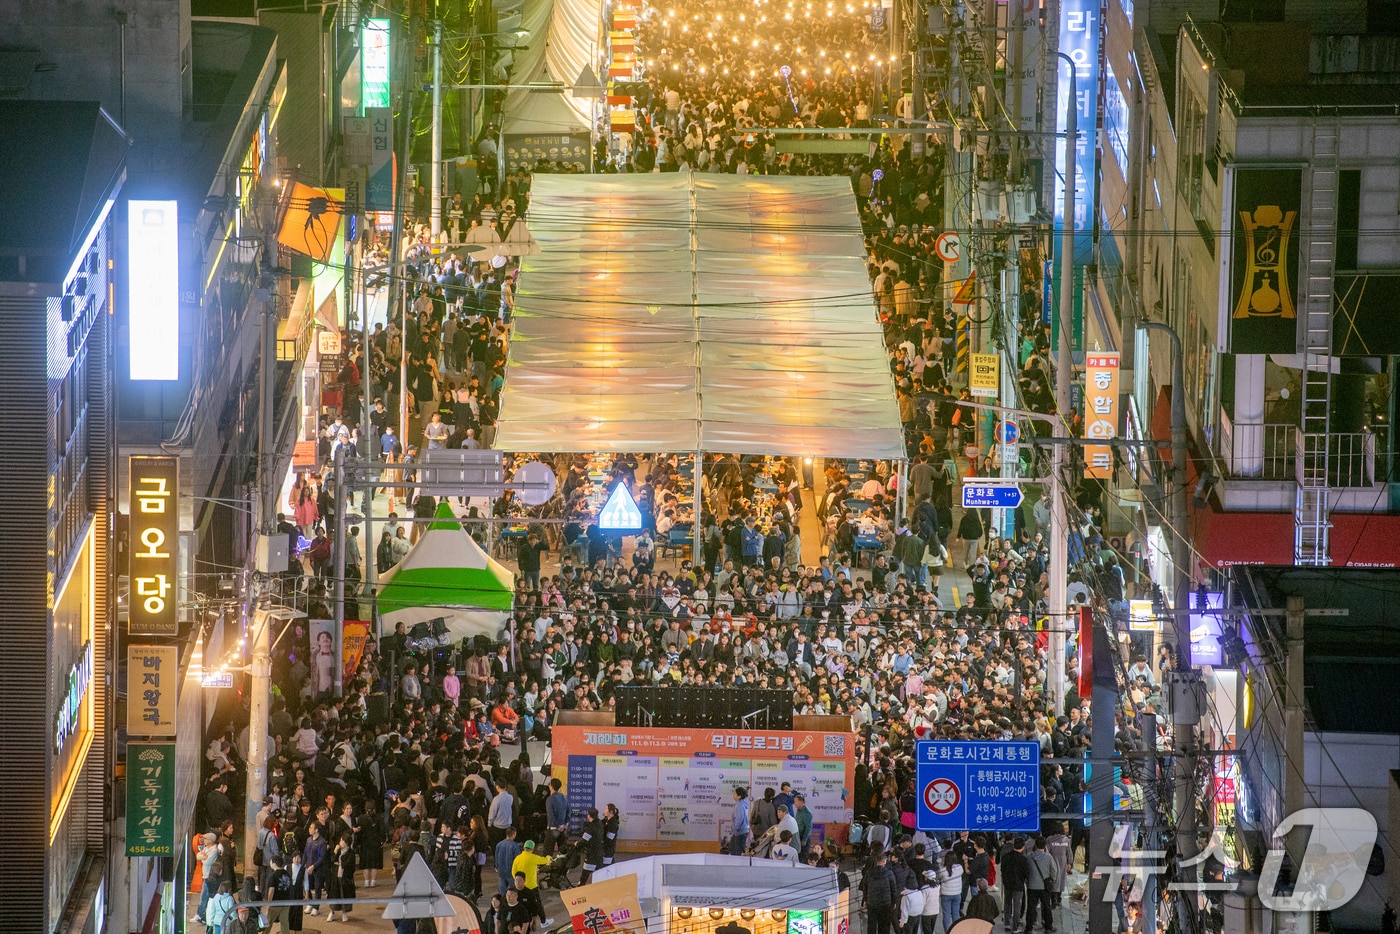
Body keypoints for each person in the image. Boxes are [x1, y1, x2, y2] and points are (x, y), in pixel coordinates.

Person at [511, 841, 554, 927]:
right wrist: (549, 857)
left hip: (520, 887)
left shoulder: (518, 858)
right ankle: (543, 921)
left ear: (524, 847)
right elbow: (544, 860)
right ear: (532, 849)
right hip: (532, 886)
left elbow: (513, 871)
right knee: (537, 904)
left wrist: (519, 882)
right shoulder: (532, 857)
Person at [1025, 835, 1059, 932]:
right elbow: (1054, 871)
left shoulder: (1029, 857)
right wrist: (1052, 880)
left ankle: (1028, 928)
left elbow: (1026, 871)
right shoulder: (1049, 857)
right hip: (1044, 887)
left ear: (1035, 845)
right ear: (1045, 846)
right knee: (1046, 907)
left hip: (1032, 886)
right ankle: (1048, 927)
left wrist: (1027, 881)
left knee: (1031, 908)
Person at [864, 848, 899, 934]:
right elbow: (893, 889)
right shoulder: (889, 873)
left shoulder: (869, 873)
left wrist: (865, 899)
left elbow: (865, 887)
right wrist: (894, 902)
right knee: (884, 926)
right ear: (884, 861)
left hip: (872, 903)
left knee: (871, 925)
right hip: (885, 904)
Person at [325, 832, 357, 922]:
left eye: (342, 841)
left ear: (347, 842)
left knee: (344, 895)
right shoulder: (338, 851)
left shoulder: (351, 853)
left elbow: (349, 865)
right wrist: (335, 852)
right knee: (334, 895)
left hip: (345, 878)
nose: (340, 842)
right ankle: (332, 912)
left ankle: (344, 913)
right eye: (340, 840)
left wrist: (340, 863)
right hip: (335, 876)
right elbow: (332, 860)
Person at [579, 807, 606, 884]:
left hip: (591, 854)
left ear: (589, 816)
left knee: (585, 873)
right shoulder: (600, 824)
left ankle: (581, 886)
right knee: (599, 873)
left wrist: (577, 844)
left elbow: (584, 840)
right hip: (600, 852)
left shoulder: (589, 828)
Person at [729, 787, 751, 857]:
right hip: (742, 831)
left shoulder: (740, 805)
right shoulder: (742, 804)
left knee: (737, 853)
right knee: (740, 851)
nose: (733, 795)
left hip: (739, 832)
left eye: (735, 793)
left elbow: (739, 819)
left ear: (739, 796)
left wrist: (735, 829)